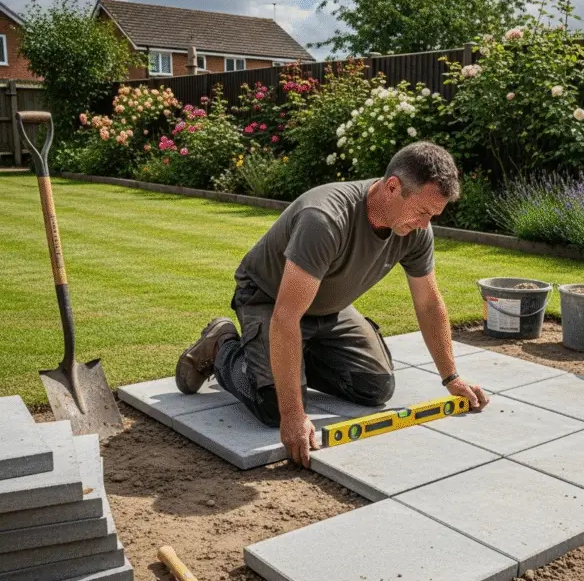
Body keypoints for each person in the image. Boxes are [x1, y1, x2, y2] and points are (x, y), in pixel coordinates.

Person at [175, 140, 489, 468]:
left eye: (433, 216)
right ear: (393, 187)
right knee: (274, 406)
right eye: (423, 212)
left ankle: (291, 358)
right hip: (269, 298)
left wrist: (451, 377)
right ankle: (222, 346)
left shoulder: (414, 232)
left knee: (376, 386)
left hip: (327, 308)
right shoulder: (325, 219)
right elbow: (286, 316)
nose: (426, 224)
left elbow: (428, 303)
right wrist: (294, 414)